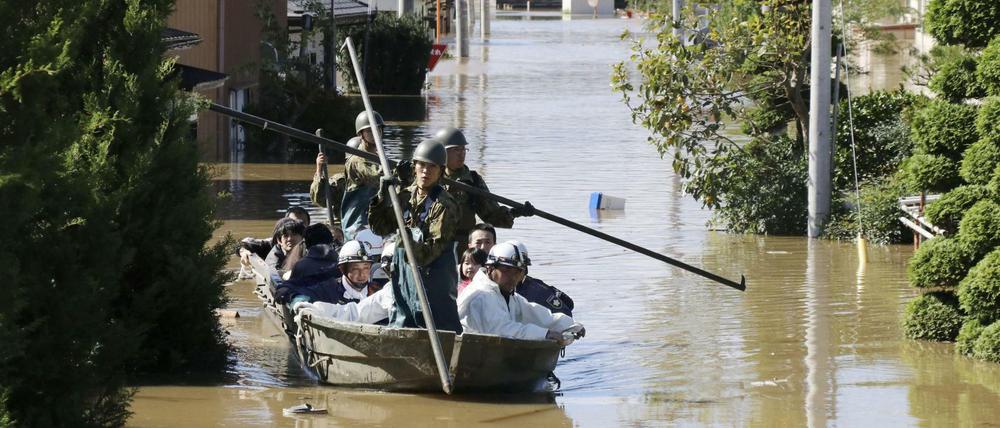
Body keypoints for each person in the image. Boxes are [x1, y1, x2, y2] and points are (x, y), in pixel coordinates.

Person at [368, 138, 463, 333]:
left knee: (438, 329)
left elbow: (427, 255)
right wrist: (382, 196)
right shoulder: (405, 195)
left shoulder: (445, 205)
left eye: (432, 167)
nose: (426, 171)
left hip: (433, 285)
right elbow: (380, 228)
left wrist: (405, 235)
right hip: (404, 279)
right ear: (414, 167)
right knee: (401, 325)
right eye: (422, 165)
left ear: (441, 170)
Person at [457, 242, 584, 344]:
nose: (513, 278)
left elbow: (538, 315)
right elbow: (502, 331)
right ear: (490, 268)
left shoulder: (507, 295)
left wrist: (569, 326)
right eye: (506, 270)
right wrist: (545, 334)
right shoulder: (481, 295)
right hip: (471, 360)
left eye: (518, 272)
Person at [435, 127, 535, 248]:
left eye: (463, 149)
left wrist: (517, 212)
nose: (461, 154)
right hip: (432, 245)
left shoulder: (473, 181)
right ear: (442, 152)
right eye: (456, 150)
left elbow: (493, 216)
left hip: (462, 246)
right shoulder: (427, 179)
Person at [339, 112, 385, 241]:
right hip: (357, 227)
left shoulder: (380, 158)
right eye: (370, 131)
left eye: (378, 129)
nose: (376, 133)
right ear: (361, 134)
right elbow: (377, 177)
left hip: (377, 224)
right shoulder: (356, 160)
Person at [506, 240, 575, 317]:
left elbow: (566, 312)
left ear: (525, 269)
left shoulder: (537, 291)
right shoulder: (493, 290)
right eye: (505, 268)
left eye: (519, 268)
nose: (513, 272)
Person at [311, 136, 361, 240]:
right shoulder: (341, 181)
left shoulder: (379, 179)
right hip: (343, 228)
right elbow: (319, 200)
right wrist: (319, 170)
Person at [237, 206, 310, 264]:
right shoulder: (273, 243)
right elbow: (242, 243)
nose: (299, 226)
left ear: (309, 225)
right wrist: (243, 251)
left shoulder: (314, 243)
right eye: (293, 222)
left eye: (302, 223)